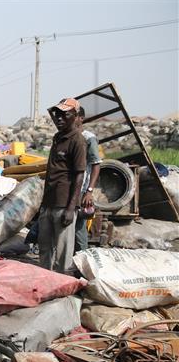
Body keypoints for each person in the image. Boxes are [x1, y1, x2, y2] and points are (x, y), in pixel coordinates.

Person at [39, 98, 87, 274]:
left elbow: (79, 175)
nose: (59, 118)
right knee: (44, 248)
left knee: (62, 253)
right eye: (57, 114)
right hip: (49, 202)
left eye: (64, 115)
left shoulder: (77, 141)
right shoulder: (58, 137)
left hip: (63, 203)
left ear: (75, 116)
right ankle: (44, 280)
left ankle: (61, 287)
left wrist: (71, 207)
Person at [74, 106, 102, 253]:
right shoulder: (64, 136)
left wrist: (89, 191)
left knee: (79, 228)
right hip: (66, 189)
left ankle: (82, 263)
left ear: (81, 118)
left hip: (81, 189)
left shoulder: (88, 138)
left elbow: (96, 165)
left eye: (74, 116)